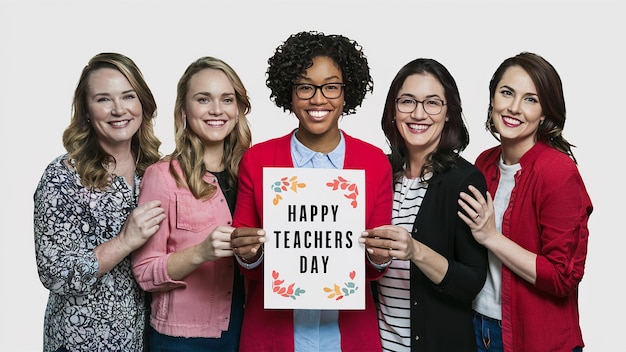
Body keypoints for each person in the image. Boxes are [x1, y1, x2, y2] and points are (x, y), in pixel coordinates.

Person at [229, 30, 393, 352]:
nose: (318, 99)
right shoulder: (258, 160)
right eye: (305, 87)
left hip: (349, 334)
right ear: (289, 93)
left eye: (331, 87)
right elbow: (246, 261)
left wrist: (379, 255)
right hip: (273, 335)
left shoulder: (374, 163)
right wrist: (249, 253)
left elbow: (374, 269)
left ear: (347, 93)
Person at [457, 52, 593, 352]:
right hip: (479, 327)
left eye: (531, 99)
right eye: (507, 93)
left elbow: (563, 277)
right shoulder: (484, 163)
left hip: (537, 338)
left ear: (545, 112)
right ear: (493, 98)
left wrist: (492, 237)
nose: (514, 108)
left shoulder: (558, 172)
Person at [33, 52, 165, 352]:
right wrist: (124, 241)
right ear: (87, 111)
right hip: (80, 341)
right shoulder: (64, 176)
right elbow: (54, 273)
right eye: (104, 99)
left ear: (142, 103)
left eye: (128, 96)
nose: (119, 109)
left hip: (144, 340)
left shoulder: (155, 172)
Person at [360, 58, 489, 351]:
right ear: (393, 111)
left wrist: (415, 250)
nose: (418, 113)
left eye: (432, 103)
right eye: (407, 101)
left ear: (448, 114)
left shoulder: (465, 181)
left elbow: (471, 281)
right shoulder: (378, 172)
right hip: (378, 343)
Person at [130, 56, 252, 351]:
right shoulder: (163, 176)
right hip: (183, 339)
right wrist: (201, 252)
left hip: (247, 329)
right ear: (184, 110)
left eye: (227, 99)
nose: (216, 110)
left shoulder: (253, 173)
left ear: (237, 110)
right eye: (203, 99)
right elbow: (145, 273)